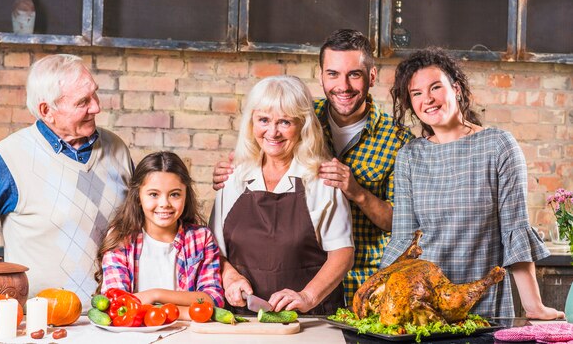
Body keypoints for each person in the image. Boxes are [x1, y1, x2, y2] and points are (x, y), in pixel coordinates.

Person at [213, 30, 413, 306]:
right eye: (333, 74)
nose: (342, 86)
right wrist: (237, 165)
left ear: (372, 77)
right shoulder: (303, 110)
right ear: (321, 76)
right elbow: (214, 248)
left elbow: (403, 223)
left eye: (354, 74)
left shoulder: (398, 140)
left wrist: (357, 191)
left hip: (364, 282)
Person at [381, 47, 564, 320]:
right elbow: (403, 240)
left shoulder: (498, 146)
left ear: (455, 89)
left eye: (435, 87)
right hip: (425, 309)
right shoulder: (409, 156)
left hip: (484, 308)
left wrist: (533, 306)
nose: (427, 99)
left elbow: (515, 231)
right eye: (416, 93)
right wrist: (378, 293)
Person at [0, 54, 133, 314]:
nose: (96, 107)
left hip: (115, 316)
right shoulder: (9, 157)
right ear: (47, 111)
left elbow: (142, 224)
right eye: (83, 102)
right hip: (39, 321)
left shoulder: (117, 149)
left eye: (94, 95)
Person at [209, 75, 354, 315]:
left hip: (310, 320)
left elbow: (342, 254)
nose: (272, 132)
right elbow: (214, 249)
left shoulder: (323, 180)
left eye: (285, 122)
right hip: (244, 319)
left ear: (303, 126)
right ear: (251, 123)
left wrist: (307, 296)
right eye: (263, 120)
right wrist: (230, 277)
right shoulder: (233, 178)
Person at [96, 151, 224, 320]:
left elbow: (212, 300)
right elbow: (117, 306)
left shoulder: (201, 239)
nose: (164, 204)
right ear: (138, 197)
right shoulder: (121, 238)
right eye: (154, 194)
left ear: (186, 195)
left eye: (175, 194)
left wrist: (156, 295)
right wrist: (183, 311)